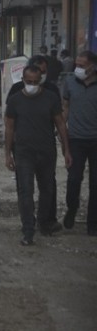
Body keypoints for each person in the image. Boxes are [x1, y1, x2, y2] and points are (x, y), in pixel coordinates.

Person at [5, 65, 71, 246]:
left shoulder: (50, 98)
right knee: (25, 191)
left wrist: (66, 149)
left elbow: (60, 124)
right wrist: (8, 154)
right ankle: (28, 229)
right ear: (23, 80)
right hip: (23, 152)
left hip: (47, 152)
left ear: (41, 80)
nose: (32, 85)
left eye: (36, 82)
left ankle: (43, 223)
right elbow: (9, 128)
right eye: (29, 82)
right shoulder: (15, 100)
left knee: (47, 190)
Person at [62, 50, 97, 236]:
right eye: (77, 64)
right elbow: (65, 108)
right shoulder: (70, 82)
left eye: (82, 66)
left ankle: (93, 223)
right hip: (76, 139)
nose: (78, 68)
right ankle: (72, 208)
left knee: (95, 184)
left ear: (93, 67)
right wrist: (62, 133)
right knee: (74, 179)